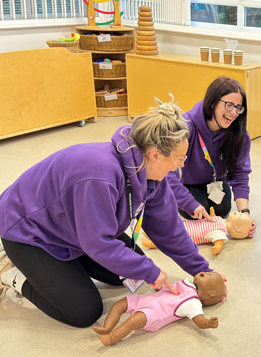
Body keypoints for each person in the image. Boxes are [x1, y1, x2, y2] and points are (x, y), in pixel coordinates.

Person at [0, 97, 216, 327]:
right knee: (85, 311)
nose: (181, 165)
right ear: (154, 154)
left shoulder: (154, 176)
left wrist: (202, 269)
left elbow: (169, 229)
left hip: (76, 230)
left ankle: (63, 270)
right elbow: (98, 243)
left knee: (130, 272)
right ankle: (11, 274)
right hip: (30, 232)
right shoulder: (97, 175)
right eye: (179, 158)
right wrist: (150, 271)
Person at [166, 76, 256, 235]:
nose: (234, 112)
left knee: (222, 209)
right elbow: (168, 173)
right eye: (229, 105)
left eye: (238, 107)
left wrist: (245, 213)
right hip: (186, 183)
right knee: (197, 212)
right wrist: (189, 203)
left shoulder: (239, 134)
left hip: (215, 181)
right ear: (213, 102)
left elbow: (240, 174)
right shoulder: (185, 127)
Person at [92, 271, 226, 346]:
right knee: (119, 304)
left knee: (133, 321)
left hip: (155, 314)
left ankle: (112, 337)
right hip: (147, 299)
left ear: (212, 293)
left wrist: (208, 323)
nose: (204, 273)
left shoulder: (193, 303)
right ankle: (107, 327)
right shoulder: (187, 283)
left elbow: (199, 320)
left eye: (209, 276)